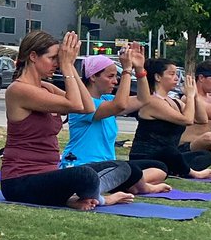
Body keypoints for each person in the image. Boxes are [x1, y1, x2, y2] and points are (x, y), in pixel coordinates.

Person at [1, 30, 138, 210]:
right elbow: (74, 104)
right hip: (20, 181)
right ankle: (100, 198)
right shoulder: (18, 90)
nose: (57, 64)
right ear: (33, 56)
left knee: (124, 168)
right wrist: (67, 67)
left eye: (59, 59)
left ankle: (76, 196)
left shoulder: (47, 87)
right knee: (84, 175)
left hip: (50, 175)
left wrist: (71, 66)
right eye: (53, 58)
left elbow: (87, 106)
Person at [60, 46, 170, 193]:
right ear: (93, 77)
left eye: (115, 76)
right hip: (83, 165)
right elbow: (119, 105)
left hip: (108, 165)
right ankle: (141, 186)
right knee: (131, 170)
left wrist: (139, 69)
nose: (115, 81)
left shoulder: (107, 99)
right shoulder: (83, 104)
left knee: (159, 167)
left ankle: (131, 183)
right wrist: (126, 71)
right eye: (110, 76)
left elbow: (143, 99)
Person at [129, 60, 211, 179]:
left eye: (176, 74)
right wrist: (189, 96)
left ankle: (176, 169)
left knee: (205, 155)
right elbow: (187, 120)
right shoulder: (152, 101)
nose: (176, 78)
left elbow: (202, 119)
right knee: (170, 152)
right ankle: (190, 172)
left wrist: (195, 96)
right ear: (158, 77)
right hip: (147, 156)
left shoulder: (175, 102)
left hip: (169, 155)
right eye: (172, 74)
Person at [187, 64, 211, 154]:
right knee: (209, 137)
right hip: (189, 144)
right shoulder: (189, 98)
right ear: (201, 78)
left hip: (207, 146)